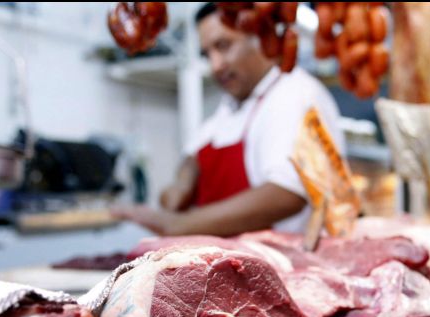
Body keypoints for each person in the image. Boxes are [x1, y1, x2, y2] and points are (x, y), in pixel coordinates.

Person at [112, 3, 345, 236]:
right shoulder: (231, 105)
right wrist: (182, 184)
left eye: (223, 46)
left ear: (260, 36)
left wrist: (179, 224)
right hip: (230, 254)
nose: (215, 65)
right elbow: (196, 153)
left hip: (285, 254)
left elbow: (287, 194)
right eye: (207, 54)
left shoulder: (295, 93)